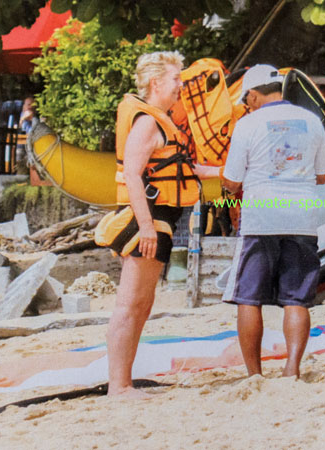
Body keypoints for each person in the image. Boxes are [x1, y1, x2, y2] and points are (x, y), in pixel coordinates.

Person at [220, 64, 325, 378]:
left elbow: (231, 180)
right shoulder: (312, 120)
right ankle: (292, 369)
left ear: (253, 95)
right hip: (302, 218)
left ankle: (254, 374)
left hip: (261, 218)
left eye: (246, 100)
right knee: (297, 299)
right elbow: (321, 176)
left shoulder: (248, 124)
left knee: (248, 297)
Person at [106, 51, 204, 398]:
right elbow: (133, 175)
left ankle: (124, 381)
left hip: (158, 220)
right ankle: (119, 386)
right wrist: (146, 227)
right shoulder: (147, 122)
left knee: (143, 303)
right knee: (130, 302)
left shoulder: (161, 120)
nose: (180, 86)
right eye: (176, 79)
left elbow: (181, 169)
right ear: (156, 83)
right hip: (145, 221)